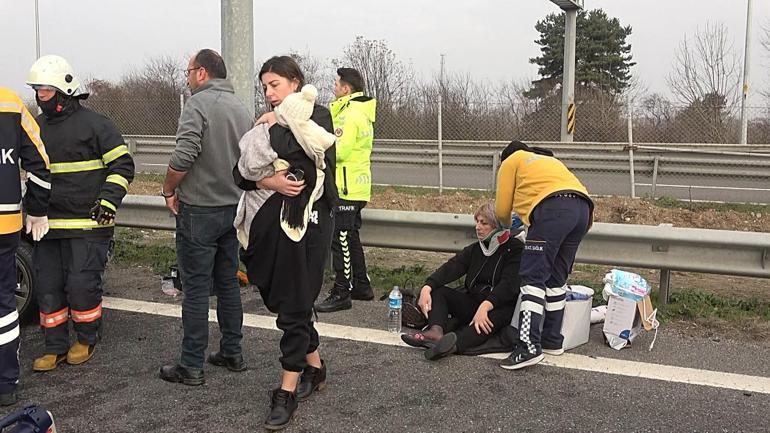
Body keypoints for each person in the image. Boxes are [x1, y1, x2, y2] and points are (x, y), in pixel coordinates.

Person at [236, 55, 336, 431]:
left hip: (309, 223)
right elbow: (241, 171)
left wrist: (275, 123)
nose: (268, 92)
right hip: (269, 229)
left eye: (274, 84)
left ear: (295, 82)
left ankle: (286, 390)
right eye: (264, 87)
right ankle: (316, 367)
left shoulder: (318, 116)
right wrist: (269, 182)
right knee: (283, 299)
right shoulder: (265, 123)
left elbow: (304, 160)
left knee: (294, 305)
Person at [26, 55, 135, 371]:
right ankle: (54, 346)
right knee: (48, 287)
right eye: (37, 90)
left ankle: (86, 339)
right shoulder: (35, 127)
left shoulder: (96, 125)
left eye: (44, 90)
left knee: (81, 285)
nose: (39, 96)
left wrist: (108, 203)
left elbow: (122, 165)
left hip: (88, 223)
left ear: (63, 90)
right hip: (47, 225)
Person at [159, 49, 253, 385]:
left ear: (201, 73)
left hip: (199, 210)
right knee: (228, 283)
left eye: (188, 72)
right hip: (233, 209)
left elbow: (183, 156)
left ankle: (191, 365)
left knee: (196, 288)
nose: (186, 78)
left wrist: (169, 190)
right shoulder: (242, 108)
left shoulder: (198, 105)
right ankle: (232, 351)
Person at [494, 140, 593, 370]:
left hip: (553, 211)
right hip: (583, 211)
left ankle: (528, 346)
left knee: (532, 278)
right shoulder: (547, 161)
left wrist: (507, 226)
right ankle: (551, 340)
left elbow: (501, 209)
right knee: (556, 279)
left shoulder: (512, 161)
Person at [401, 202, 522, 360]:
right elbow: (451, 268)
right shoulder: (474, 250)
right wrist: (427, 287)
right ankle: (435, 333)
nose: (478, 227)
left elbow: (509, 285)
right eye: (477, 222)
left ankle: (452, 345)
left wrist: (486, 306)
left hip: (499, 307)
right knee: (439, 291)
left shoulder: (515, 249)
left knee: (485, 322)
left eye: (484, 223)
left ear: (498, 226)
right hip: (474, 303)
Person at [0, 87, 51, 405]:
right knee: (4, 306)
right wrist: (37, 208)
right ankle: (5, 382)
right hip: (4, 224)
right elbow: (40, 161)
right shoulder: (8, 101)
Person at [315, 67, 376, 312]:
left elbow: (339, 150)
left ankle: (342, 290)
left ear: (346, 88)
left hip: (346, 187)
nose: (333, 87)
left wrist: (317, 149)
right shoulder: (358, 111)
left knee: (339, 239)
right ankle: (361, 285)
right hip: (355, 186)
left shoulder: (349, 114)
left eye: (336, 83)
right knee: (350, 236)